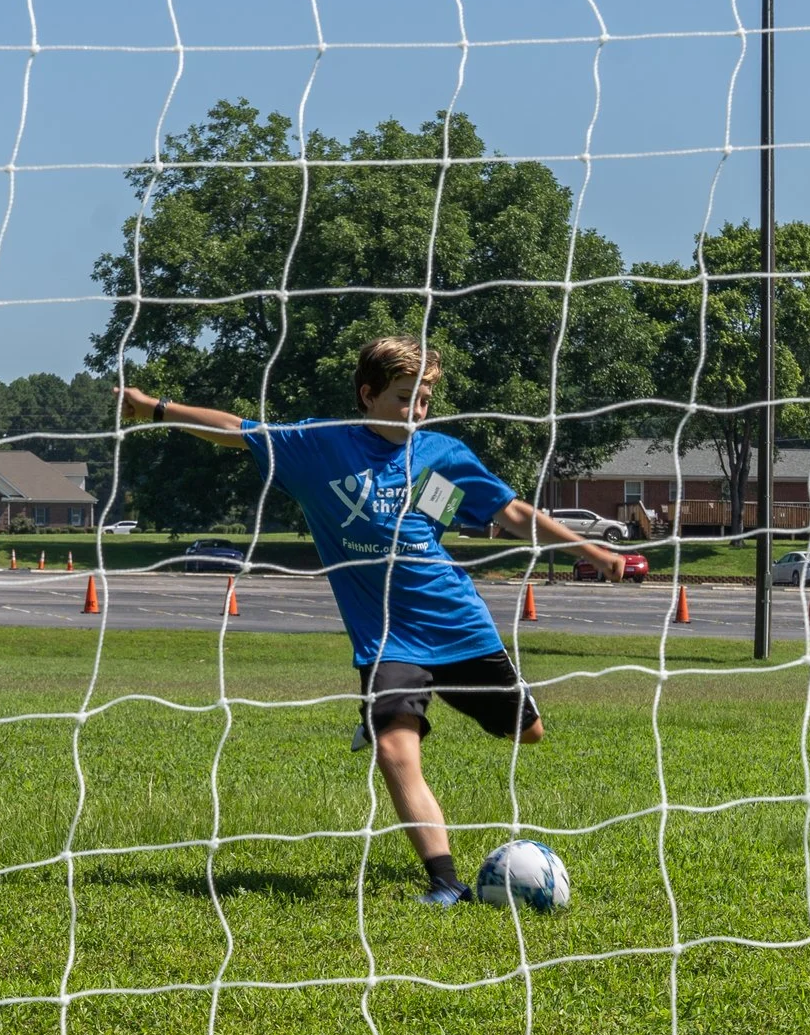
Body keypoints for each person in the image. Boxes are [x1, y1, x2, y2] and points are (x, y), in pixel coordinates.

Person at [118, 336, 624, 907]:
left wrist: (590, 550)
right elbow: (236, 429)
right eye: (404, 397)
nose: (416, 411)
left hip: (458, 625)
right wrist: (154, 408)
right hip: (387, 638)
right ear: (368, 395)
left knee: (528, 733)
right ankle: (444, 882)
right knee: (396, 751)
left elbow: (511, 512)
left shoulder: (444, 456)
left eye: (424, 400)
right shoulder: (320, 447)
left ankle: (405, 709)